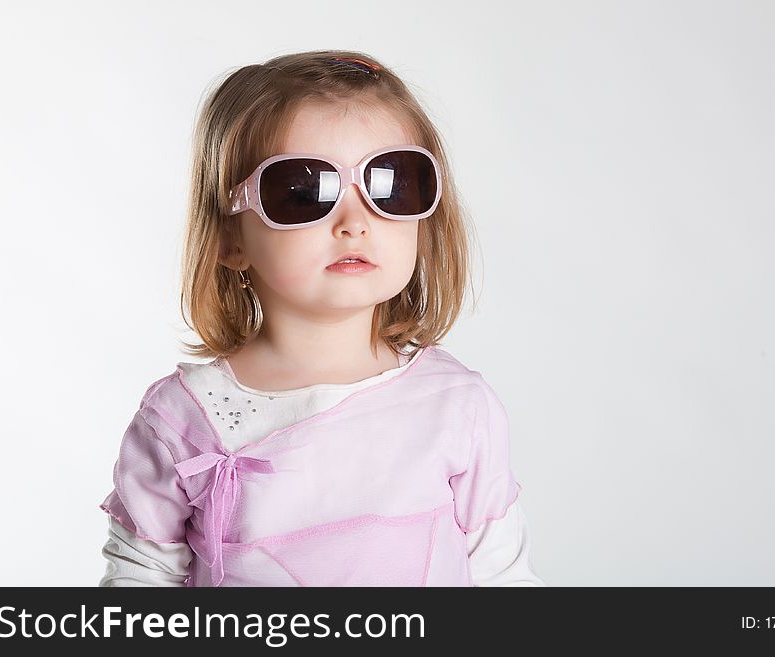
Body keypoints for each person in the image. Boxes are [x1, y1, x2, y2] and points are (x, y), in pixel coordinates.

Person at [98, 50, 545, 587]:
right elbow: (139, 584)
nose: (355, 222)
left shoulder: (458, 407)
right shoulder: (182, 419)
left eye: (392, 185)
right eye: (303, 191)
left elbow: (503, 577)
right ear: (229, 236)